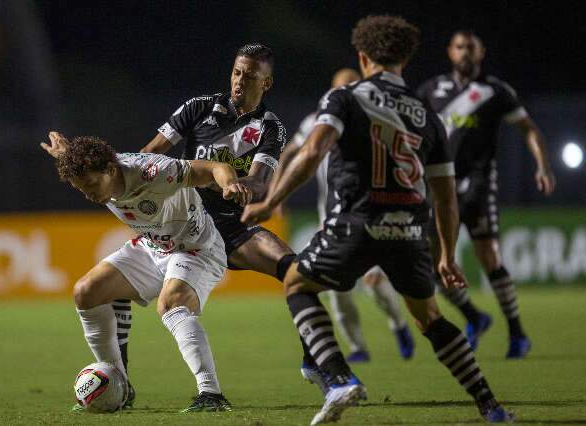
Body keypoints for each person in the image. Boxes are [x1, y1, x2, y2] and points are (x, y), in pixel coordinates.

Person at [243, 16, 512, 424]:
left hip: (356, 220)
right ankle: (491, 406)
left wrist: (270, 201)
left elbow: (314, 150)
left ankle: (339, 377)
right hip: (409, 229)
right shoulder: (427, 113)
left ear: (363, 57)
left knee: (297, 282)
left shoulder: (346, 97)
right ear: (405, 59)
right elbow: (444, 196)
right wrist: (446, 256)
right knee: (430, 318)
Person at [113, 43, 301, 403]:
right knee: (112, 291)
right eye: (236, 72)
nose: (239, 81)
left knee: (295, 271)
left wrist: (239, 187)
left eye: (250, 76)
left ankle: (316, 358)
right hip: (186, 225)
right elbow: (150, 153)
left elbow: (261, 182)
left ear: (267, 83)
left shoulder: (269, 126)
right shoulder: (198, 108)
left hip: (231, 227)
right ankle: (123, 383)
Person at [41, 131, 250, 412]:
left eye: (90, 185)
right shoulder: (96, 170)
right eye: (81, 189)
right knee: (86, 292)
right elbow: (86, 168)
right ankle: (120, 387)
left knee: (171, 305)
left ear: (111, 169)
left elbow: (215, 168)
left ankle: (211, 394)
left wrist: (230, 185)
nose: (89, 194)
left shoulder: (153, 171)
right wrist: (65, 155)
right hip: (153, 248)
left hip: (196, 247)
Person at [416, 30, 556, 358]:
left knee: (489, 258)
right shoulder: (430, 90)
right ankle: (474, 317)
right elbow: (411, 131)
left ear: (481, 53)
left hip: (479, 185)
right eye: (460, 47)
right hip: (439, 185)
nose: (465, 53)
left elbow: (529, 129)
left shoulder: (494, 91)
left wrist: (543, 165)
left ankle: (517, 332)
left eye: (471, 48)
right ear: (450, 52)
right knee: (432, 266)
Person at [279, 68, 414, 363]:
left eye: (350, 85)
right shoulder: (316, 121)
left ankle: (399, 324)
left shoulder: (371, 118)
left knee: (376, 282)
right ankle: (357, 347)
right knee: (335, 291)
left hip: (370, 215)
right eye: (340, 87)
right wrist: (277, 191)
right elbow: (292, 152)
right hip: (332, 219)